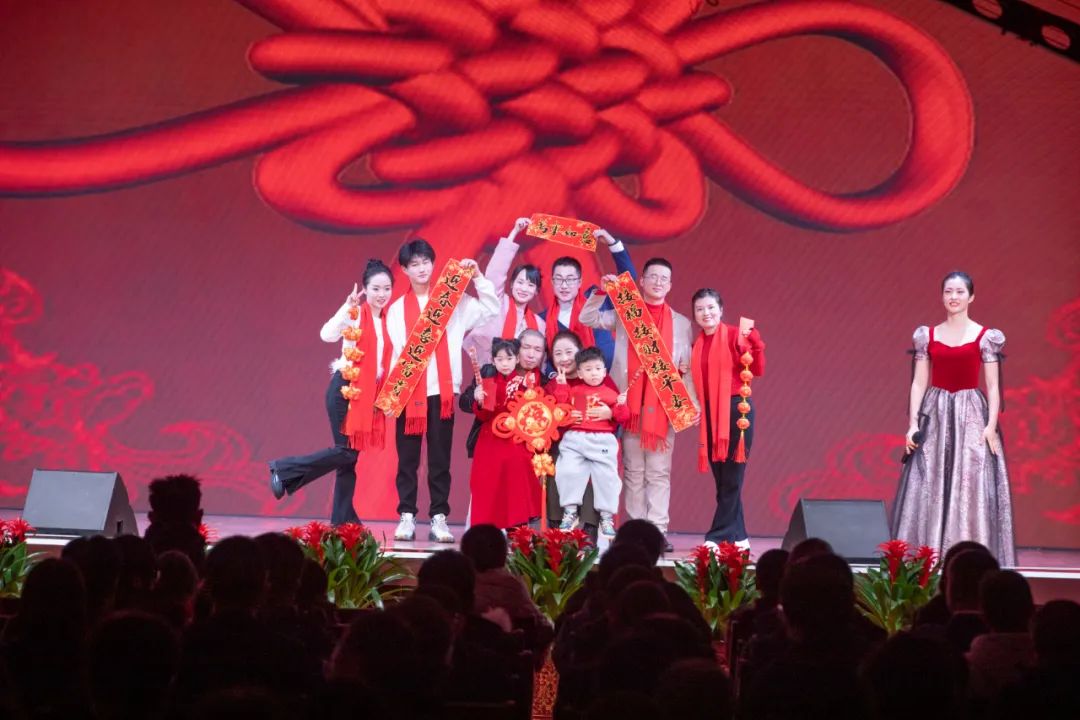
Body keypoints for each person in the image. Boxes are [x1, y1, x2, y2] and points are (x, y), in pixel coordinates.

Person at [892, 271, 1015, 565]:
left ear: (971, 297)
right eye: (948, 291)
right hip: (935, 413)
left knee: (969, 481)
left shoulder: (985, 337)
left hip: (971, 413)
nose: (954, 297)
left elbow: (993, 386)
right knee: (929, 481)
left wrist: (990, 426)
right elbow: (919, 383)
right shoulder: (928, 336)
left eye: (960, 292)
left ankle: (967, 560)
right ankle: (926, 559)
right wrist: (913, 424)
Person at [385, 239, 499, 543]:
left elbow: (491, 309)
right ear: (405, 270)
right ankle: (406, 515)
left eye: (426, 262)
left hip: (442, 393)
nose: (422, 269)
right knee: (407, 459)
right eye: (415, 264)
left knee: (439, 459)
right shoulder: (397, 310)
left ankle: (439, 517)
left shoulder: (452, 300)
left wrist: (478, 278)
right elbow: (397, 354)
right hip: (410, 393)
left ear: (434, 264)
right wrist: (393, 394)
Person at [268, 259, 394, 525]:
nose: (381, 294)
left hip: (366, 396)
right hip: (344, 390)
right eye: (376, 289)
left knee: (349, 461)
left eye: (386, 289)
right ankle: (284, 469)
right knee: (346, 453)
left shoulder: (387, 322)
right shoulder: (355, 313)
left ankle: (343, 523)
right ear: (365, 289)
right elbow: (326, 335)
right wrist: (346, 308)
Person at [581, 259, 695, 551]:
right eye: (652, 276)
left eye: (664, 278)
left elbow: (687, 368)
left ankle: (657, 531)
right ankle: (635, 529)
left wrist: (690, 404)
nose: (658, 282)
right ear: (641, 281)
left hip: (663, 406)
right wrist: (600, 293)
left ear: (670, 285)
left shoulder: (682, 323)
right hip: (629, 405)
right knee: (633, 471)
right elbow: (588, 318)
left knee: (658, 472)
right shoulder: (627, 312)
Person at [688, 289, 765, 549]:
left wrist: (756, 345)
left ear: (721, 310)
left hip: (735, 410)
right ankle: (740, 536)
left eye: (711, 307)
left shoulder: (735, 334)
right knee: (723, 480)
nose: (706, 313)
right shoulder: (697, 345)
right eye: (700, 309)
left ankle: (717, 536)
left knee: (732, 478)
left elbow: (757, 369)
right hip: (710, 413)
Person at [551, 346, 630, 538]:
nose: (593, 373)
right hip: (575, 438)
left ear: (604, 371)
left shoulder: (611, 393)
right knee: (566, 470)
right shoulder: (574, 390)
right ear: (579, 373)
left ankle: (606, 516)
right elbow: (560, 405)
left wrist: (619, 406)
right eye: (588, 369)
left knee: (607, 477)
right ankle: (570, 511)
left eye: (597, 369)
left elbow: (623, 417)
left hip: (601, 440)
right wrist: (561, 385)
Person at [467, 338, 541, 529]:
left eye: (509, 358)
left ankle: (517, 530)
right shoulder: (488, 383)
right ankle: (485, 531)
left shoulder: (526, 383)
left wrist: (531, 393)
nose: (505, 363)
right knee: (486, 485)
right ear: (493, 361)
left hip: (516, 440)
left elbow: (532, 413)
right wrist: (479, 400)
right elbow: (485, 415)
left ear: (517, 359)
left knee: (516, 484)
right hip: (490, 441)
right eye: (499, 359)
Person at [544, 228, 637, 370]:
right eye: (559, 279)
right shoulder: (544, 319)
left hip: (611, 377)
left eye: (570, 279)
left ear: (579, 282)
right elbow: (545, 359)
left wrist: (612, 243)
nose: (564, 285)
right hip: (570, 382)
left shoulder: (598, 300)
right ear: (552, 282)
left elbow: (628, 280)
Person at [463, 217, 547, 365]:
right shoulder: (499, 302)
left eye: (530, 285)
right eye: (520, 282)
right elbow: (496, 271)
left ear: (536, 291)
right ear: (512, 284)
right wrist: (514, 232)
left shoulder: (539, 324)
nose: (524, 289)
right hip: (488, 370)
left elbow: (539, 359)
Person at [544, 330, 600, 538]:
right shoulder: (550, 386)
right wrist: (561, 418)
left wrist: (607, 412)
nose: (564, 358)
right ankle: (556, 531)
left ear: (580, 351)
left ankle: (588, 533)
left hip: (591, 445)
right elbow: (544, 421)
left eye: (569, 352)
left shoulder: (595, 378)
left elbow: (615, 411)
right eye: (558, 353)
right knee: (552, 464)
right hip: (559, 445)